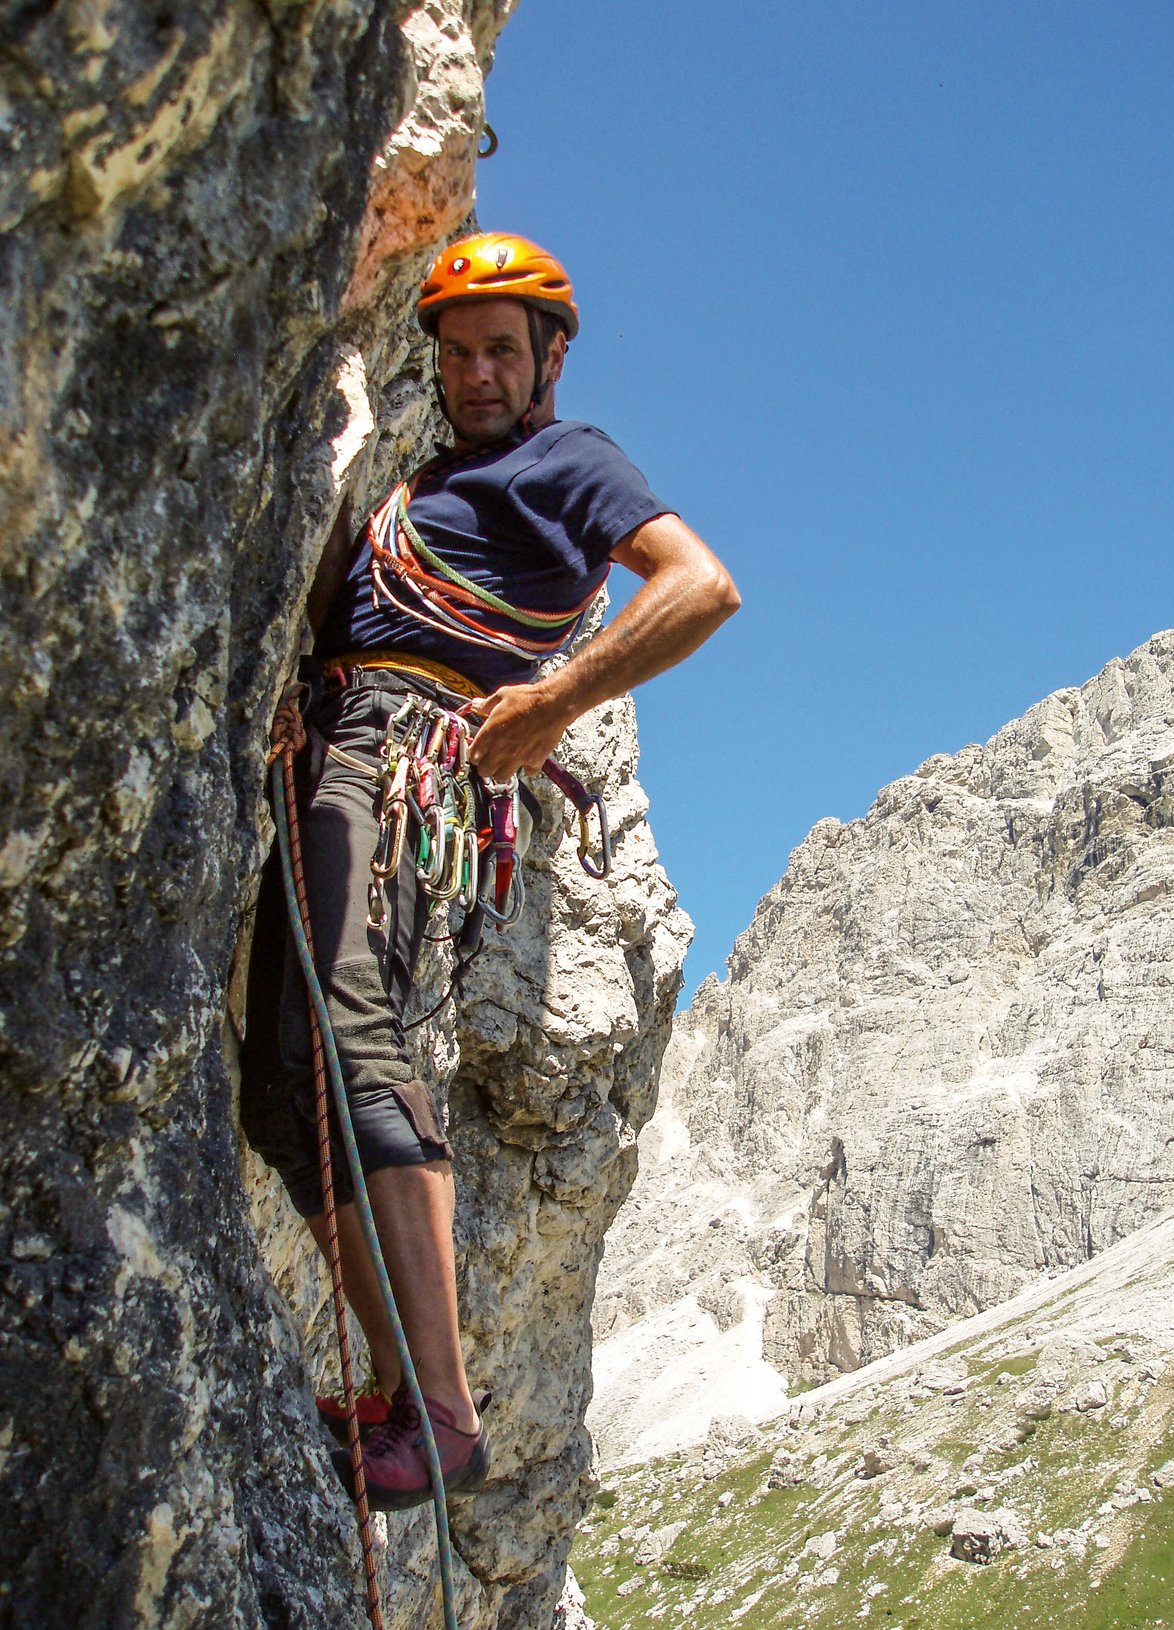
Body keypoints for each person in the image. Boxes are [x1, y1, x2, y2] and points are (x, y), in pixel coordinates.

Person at [241, 232, 739, 1510]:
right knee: (279, 1088)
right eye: (456, 353)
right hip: (345, 739)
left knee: (353, 1041)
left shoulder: (566, 459)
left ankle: (446, 1413)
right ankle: (409, 1377)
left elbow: (699, 586)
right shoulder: (431, 480)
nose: (473, 373)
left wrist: (556, 699)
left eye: (499, 351)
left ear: (549, 360)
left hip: (410, 762)